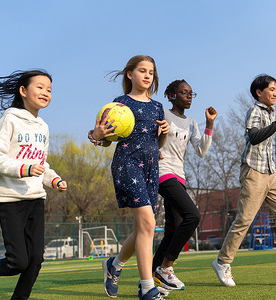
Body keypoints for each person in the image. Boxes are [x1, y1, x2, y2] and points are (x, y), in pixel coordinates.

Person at [0, 70, 67, 300]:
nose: (45, 92)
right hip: (10, 198)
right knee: (18, 261)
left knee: (35, 261)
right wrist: (25, 169)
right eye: (40, 87)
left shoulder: (43, 127)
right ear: (23, 91)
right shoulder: (9, 119)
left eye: (49, 89)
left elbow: (41, 163)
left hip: (35, 196)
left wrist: (54, 179)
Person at [211, 74, 276, 286]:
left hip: (271, 172)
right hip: (254, 171)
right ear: (259, 92)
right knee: (245, 219)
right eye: (271, 89)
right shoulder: (256, 110)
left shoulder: (272, 112)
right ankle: (222, 261)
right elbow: (254, 137)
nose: (275, 92)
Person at [88, 55, 170, 300]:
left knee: (144, 226)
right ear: (129, 74)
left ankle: (114, 264)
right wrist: (97, 134)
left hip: (151, 167)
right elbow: (101, 140)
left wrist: (163, 133)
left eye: (151, 72)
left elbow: (158, 144)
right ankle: (147, 288)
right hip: (127, 164)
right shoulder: (119, 104)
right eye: (142, 71)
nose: (147, 76)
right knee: (148, 222)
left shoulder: (157, 107)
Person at [152, 79, 217, 291]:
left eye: (191, 93)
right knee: (193, 216)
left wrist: (209, 124)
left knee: (174, 227)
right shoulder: (162, 113)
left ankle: (150, 278)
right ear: (172, 95)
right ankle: (167, 267)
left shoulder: (191, 123)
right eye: (183, 92)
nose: (188, 96)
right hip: (163, 172)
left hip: (179, 176)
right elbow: (150, 136)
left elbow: (201, 151)